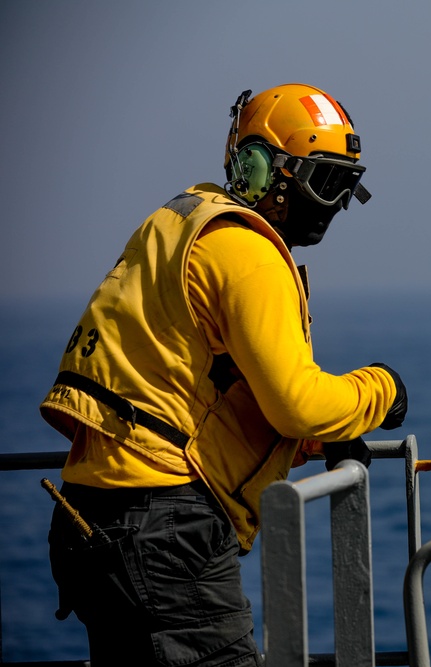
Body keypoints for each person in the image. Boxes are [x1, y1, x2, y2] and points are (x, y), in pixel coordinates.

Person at [39, 83, 406, 666]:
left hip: (92, 517)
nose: (333, 205)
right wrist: (380, 391)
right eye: (324, 181)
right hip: (164, 531)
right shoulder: (249, 253)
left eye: (345, 186)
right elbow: (295, 402)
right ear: (262, 169)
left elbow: (198, 381)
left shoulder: (178, 224)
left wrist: (309, 440)